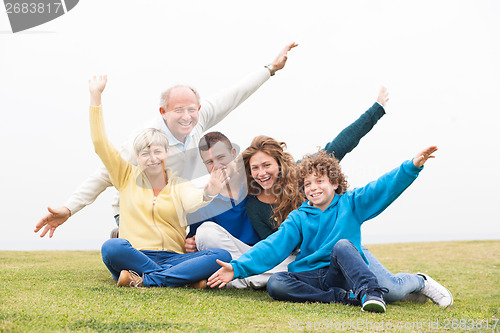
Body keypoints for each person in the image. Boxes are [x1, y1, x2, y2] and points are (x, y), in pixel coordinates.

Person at [36, 42, 298, 237]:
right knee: (149, 254)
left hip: (172, 202)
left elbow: (233, 95)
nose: (187, 117)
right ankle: (124, 236)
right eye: (178, 111)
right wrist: (69, 208)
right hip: (134, 209)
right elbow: (104, 174)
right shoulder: (146, 140)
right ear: (163, 112)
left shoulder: (199, 115)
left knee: (202, 196)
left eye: (192, 109)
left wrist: (270, 69)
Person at [34, 76, 232, 288]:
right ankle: (181, 279)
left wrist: (209, 191)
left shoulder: (179, 184)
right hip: (135, 256)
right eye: (144, 153)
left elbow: (194, 200)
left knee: (221, 255)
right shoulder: (125, 177)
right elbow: (100, 144)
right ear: (137, 157)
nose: (152, 158)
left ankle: (148, 280)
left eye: (157, 151)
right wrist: (96, 97)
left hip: (173, 257)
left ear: (166, 152)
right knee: (112, 247)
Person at [184, 88, 389, 288]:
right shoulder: (243, 200)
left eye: (267, 166)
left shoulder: (299, 176)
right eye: (209, 162)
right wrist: (190, 242)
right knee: (206, 233)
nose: (261, 173)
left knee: (385, 286)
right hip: (270, 257)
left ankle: (242, 279)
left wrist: (376, 109)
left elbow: (339, 145)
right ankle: (244, 275)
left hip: (315, 253)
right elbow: (270, 246)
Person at [207, 147, 442, 313]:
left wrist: (411, 167)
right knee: (276, 283)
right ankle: (344, 298)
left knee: (389, 289)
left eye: (320, 181)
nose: (313, 188)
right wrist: (237, 268)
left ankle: (417, 282)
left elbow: (381, 188)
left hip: (346, 269)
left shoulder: (351, 203)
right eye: (307, 184)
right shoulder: (299, 217)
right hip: (316, 277)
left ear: (335, 183)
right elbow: (274, 246)